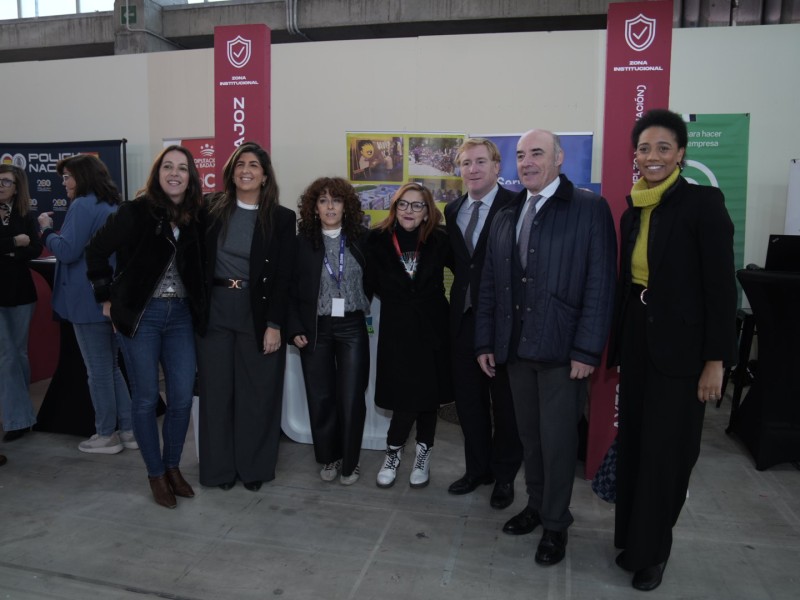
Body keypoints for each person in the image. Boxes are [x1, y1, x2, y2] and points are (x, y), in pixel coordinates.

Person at [475, 129, 617, 566]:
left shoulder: (589, 209)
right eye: (521, 155)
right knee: (530, 439)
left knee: (557, 444)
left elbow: (600, 284)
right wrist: (485, 339)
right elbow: (490, 285)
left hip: (561, 353)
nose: (528, 161)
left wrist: (587, 350)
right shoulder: (508, 212)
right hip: (516, 351)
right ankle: (536, 506)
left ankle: (556, 524)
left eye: (537, 153)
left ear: (559, 158)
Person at [609, 109, 737, 591]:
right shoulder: (633, 208)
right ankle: (631, 540)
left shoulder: (702, 203)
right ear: (635, 157)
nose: (653, 156)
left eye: (664, 147)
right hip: (639, 338)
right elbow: (630, 282)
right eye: (644, 148)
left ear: (681, 153)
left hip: (683, 352)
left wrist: (715, 361)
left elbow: (722, 290)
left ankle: (653, 553)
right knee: (638, 446)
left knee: (668, 453)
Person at [85, 145, 206, 509]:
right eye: (167, 167)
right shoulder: (134, 212)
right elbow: (95, 251)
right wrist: (105, 297)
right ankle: (155, 472)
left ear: (191, 176)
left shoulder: (197, 216)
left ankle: (172, 467)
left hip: (181, 317)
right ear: (157, 174)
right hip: (141, 316)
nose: (174, 173)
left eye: (182, 168)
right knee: (146, 398)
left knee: (182, 397)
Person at [197, 142, 295, 492]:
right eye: (240, 164)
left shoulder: (282, 218)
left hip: (258, 312)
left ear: (265, 176)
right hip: (216, 310)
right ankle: (220, 470)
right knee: (216, 394)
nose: (246, 170)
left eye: (254, 164)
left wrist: (274, 324)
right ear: (231, 171)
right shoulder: (210, 207)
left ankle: (253, 469)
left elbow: (284, 276)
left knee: (257, 395)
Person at [38, 154, 134, 454]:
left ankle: (106, 434)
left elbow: (67, 251)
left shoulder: (82, 205)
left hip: (86, 299)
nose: (64, 182)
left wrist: (45, 231)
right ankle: (129, 430)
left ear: (82, 176)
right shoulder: (111, 204)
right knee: (112, 367)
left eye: (67, 176)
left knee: (98, 370)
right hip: (108, 298)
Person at [445, 138, 522, 509]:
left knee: (504, 406)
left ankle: (504, 478)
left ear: (496, 167)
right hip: (462, 320)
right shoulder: (452, 209)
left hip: (503, 322)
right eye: (465, 163)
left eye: (480, 162)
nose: (472, 169)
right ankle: (477, 470)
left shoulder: (518, 205)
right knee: (469, 404)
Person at [366, 182, 452, 489]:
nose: (409, 211)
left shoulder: (441, 240)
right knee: (405, 393)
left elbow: (468, 274)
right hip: (397, 327)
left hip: (433, 326)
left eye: (417, 205)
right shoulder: (376, 239)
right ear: (394, 206)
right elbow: (366, 281)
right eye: (403, 204)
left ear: (428, 211)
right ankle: (394, 451)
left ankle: (422, 454)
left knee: (428, 394)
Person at [288, 177, 370, 485]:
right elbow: (289, 290)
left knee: (350, 397)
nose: (330, 206)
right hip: (315, 328)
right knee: (321, 397)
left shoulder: (362, 238)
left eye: (336, 200)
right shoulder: (302, 243)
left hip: (351, 326)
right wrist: (294, 327)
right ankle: (329, 457)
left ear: (347, 205)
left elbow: (377, 276)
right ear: (314, 208)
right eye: (323, 200)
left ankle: (351, 461)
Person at [0, 165, 42, 442]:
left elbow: (35, 248)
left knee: (18, 353)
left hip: (21, 293)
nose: (0, 185)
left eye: (6, 181)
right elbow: (22, 244)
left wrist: (11, 251)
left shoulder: (26, 214)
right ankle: (18, 419)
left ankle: (21, 410)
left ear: (18, 186)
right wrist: (14, 242)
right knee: (7, 355)